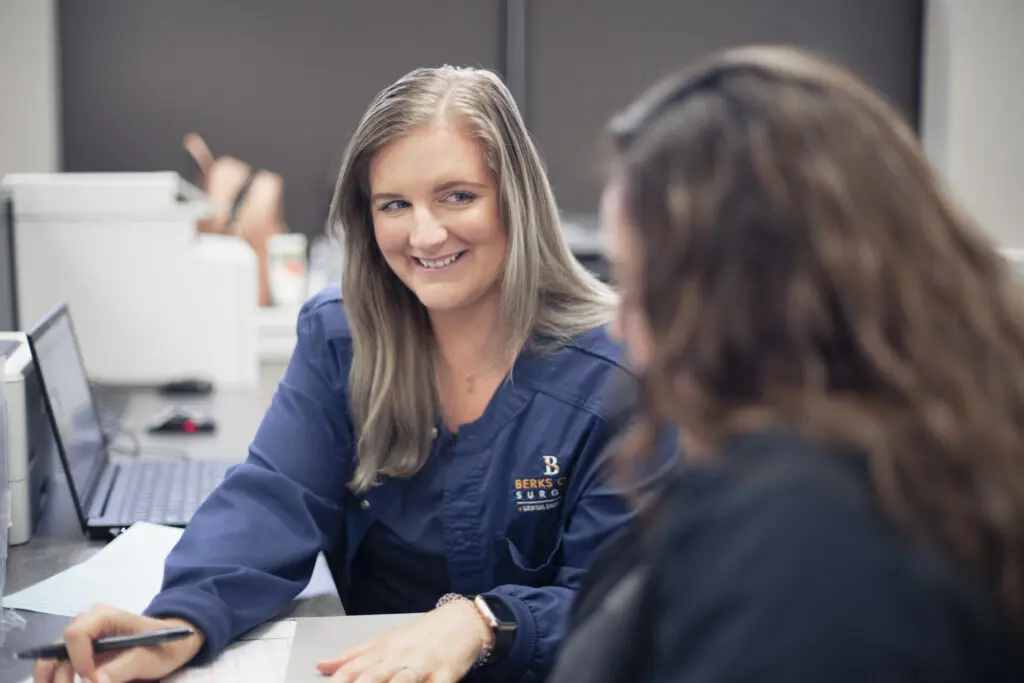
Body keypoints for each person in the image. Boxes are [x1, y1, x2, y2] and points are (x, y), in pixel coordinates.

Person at [37, 65, 658, 683]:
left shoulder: (618, 372)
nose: (425, 233)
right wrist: (180, 622)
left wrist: (487, 622)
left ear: (516, 200)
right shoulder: (342, 337)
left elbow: (622, 601)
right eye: (395, 204)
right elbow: (275, 501)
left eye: (458, 195)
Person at [550, 45, 1024, 683]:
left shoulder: (807, 543)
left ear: (741, 300)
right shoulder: (927, 457)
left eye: (643, 290)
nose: (620, 324)